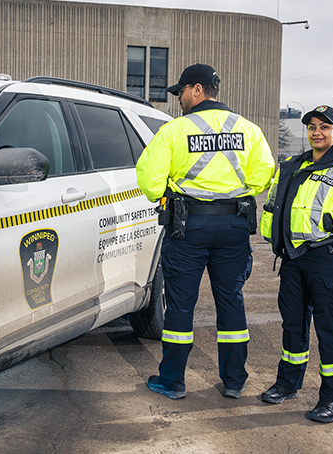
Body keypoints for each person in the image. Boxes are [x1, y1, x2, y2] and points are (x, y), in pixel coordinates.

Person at [136, 63, 275, 400]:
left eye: (181, 91)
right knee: (231, 303)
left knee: (181, 306)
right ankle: (234, 381)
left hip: (188, 227)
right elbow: (264, 174)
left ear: (197, 90)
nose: (179, 99)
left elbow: (148, 178)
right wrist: (232, 192)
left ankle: (172, 382)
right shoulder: (249, 130)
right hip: (233, 227)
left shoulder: (175, 130)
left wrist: (169, 193)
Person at [258, 105, 333, 422]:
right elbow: (274, 203)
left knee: (330, 331)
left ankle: (331, 399)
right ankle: (287, 384)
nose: (317, 132)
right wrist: (272, 236)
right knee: (293, 327)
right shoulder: (292, 164)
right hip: (293, 260)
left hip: (329, 261)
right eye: (312, 126)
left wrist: (327, 221)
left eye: (325, 127)